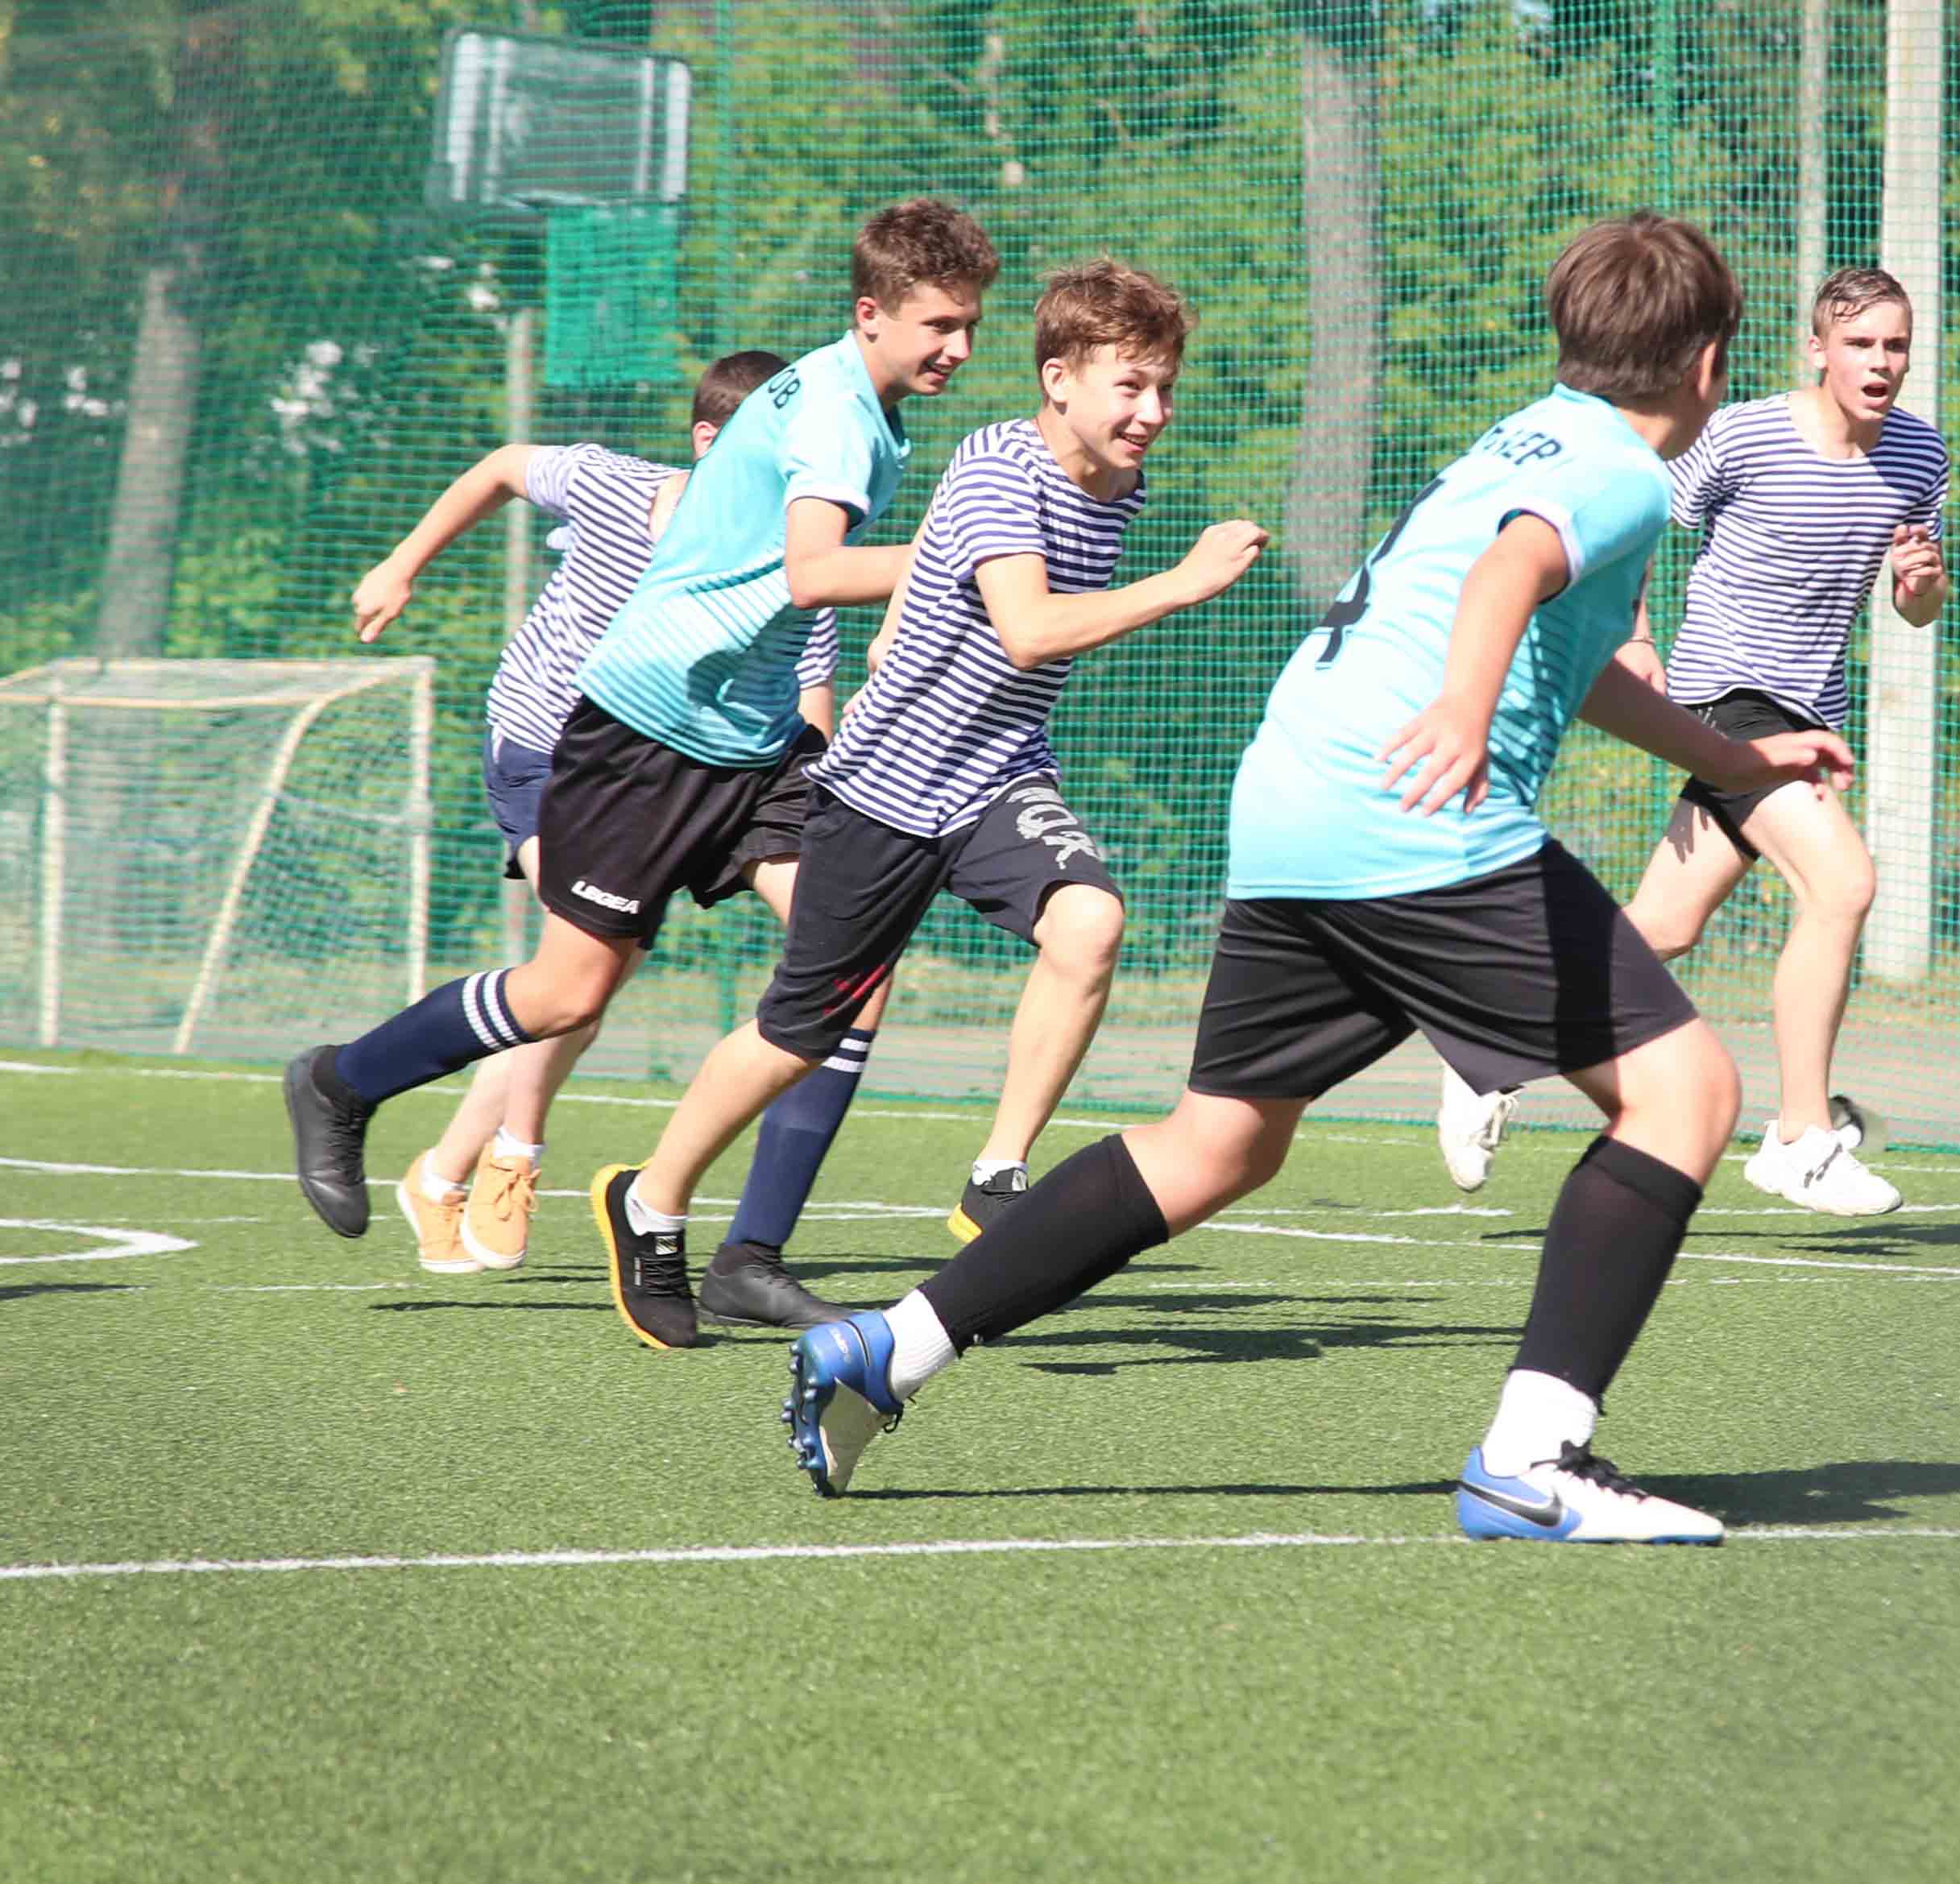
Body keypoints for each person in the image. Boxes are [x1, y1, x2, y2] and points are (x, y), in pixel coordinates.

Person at [781, 213, 1851, 1543]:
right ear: (1705, 365)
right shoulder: (1622, 473)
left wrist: (1731, 758)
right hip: (1412, 815)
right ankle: (1533, 1460)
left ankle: (891, 1345)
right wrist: (1463, 711)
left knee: (1217, 1144)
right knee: (1686, 1092)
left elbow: (1568, 656)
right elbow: (1511, 573)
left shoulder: (1528, 434)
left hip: (1296, 798)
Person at [283, 198, 997, 1352]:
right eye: (941, 326)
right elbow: (814, 575)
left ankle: (731, 1250)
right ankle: (343, 1081)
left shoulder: (853, 397)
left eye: (971, 326)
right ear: (871, 313)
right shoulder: (835, 416)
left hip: (755, 742)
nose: (960, 347)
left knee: (848, 965)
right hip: (649, 734)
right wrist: (971, 558)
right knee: (568, 995)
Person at [592, 257, 1270, 1340]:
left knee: (1090, 922)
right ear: (1058, 379)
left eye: (1164, 389)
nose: (1154, 412)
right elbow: (1028, 629)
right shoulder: (1002, 465)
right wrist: (1185, 581)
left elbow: (943, 594)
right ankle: (652, 1200)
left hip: (997, 779)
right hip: (884, 795)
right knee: (798, 1031)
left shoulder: (1118, 485)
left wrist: (901, 644)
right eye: (1131, 387)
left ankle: (997, 1177)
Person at [1436, 265, 1946, 1217]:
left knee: (1665, 928)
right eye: (1860, 343)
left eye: (1895, 345)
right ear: (1817, 348)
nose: (1880, 362)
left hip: (1808, 717)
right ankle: (1800, 1137)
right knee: (1842, 884)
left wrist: (1920, 587)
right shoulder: (1743, 433)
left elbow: (1916, 608)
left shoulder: (1920, 454)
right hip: (1726, 698)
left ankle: (1490, 1039)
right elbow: (1636, 522)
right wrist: (1633, 637)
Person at [345, 351, 867, 1277]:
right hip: (544, 749)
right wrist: (401, 563)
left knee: (587, 979)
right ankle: (509, 1150)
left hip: (662, 779)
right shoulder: (615, 488)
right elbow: (502, 466)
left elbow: (810, 712)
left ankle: (442, 1169)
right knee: (584, 964)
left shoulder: (799, 558)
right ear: (708, 443)